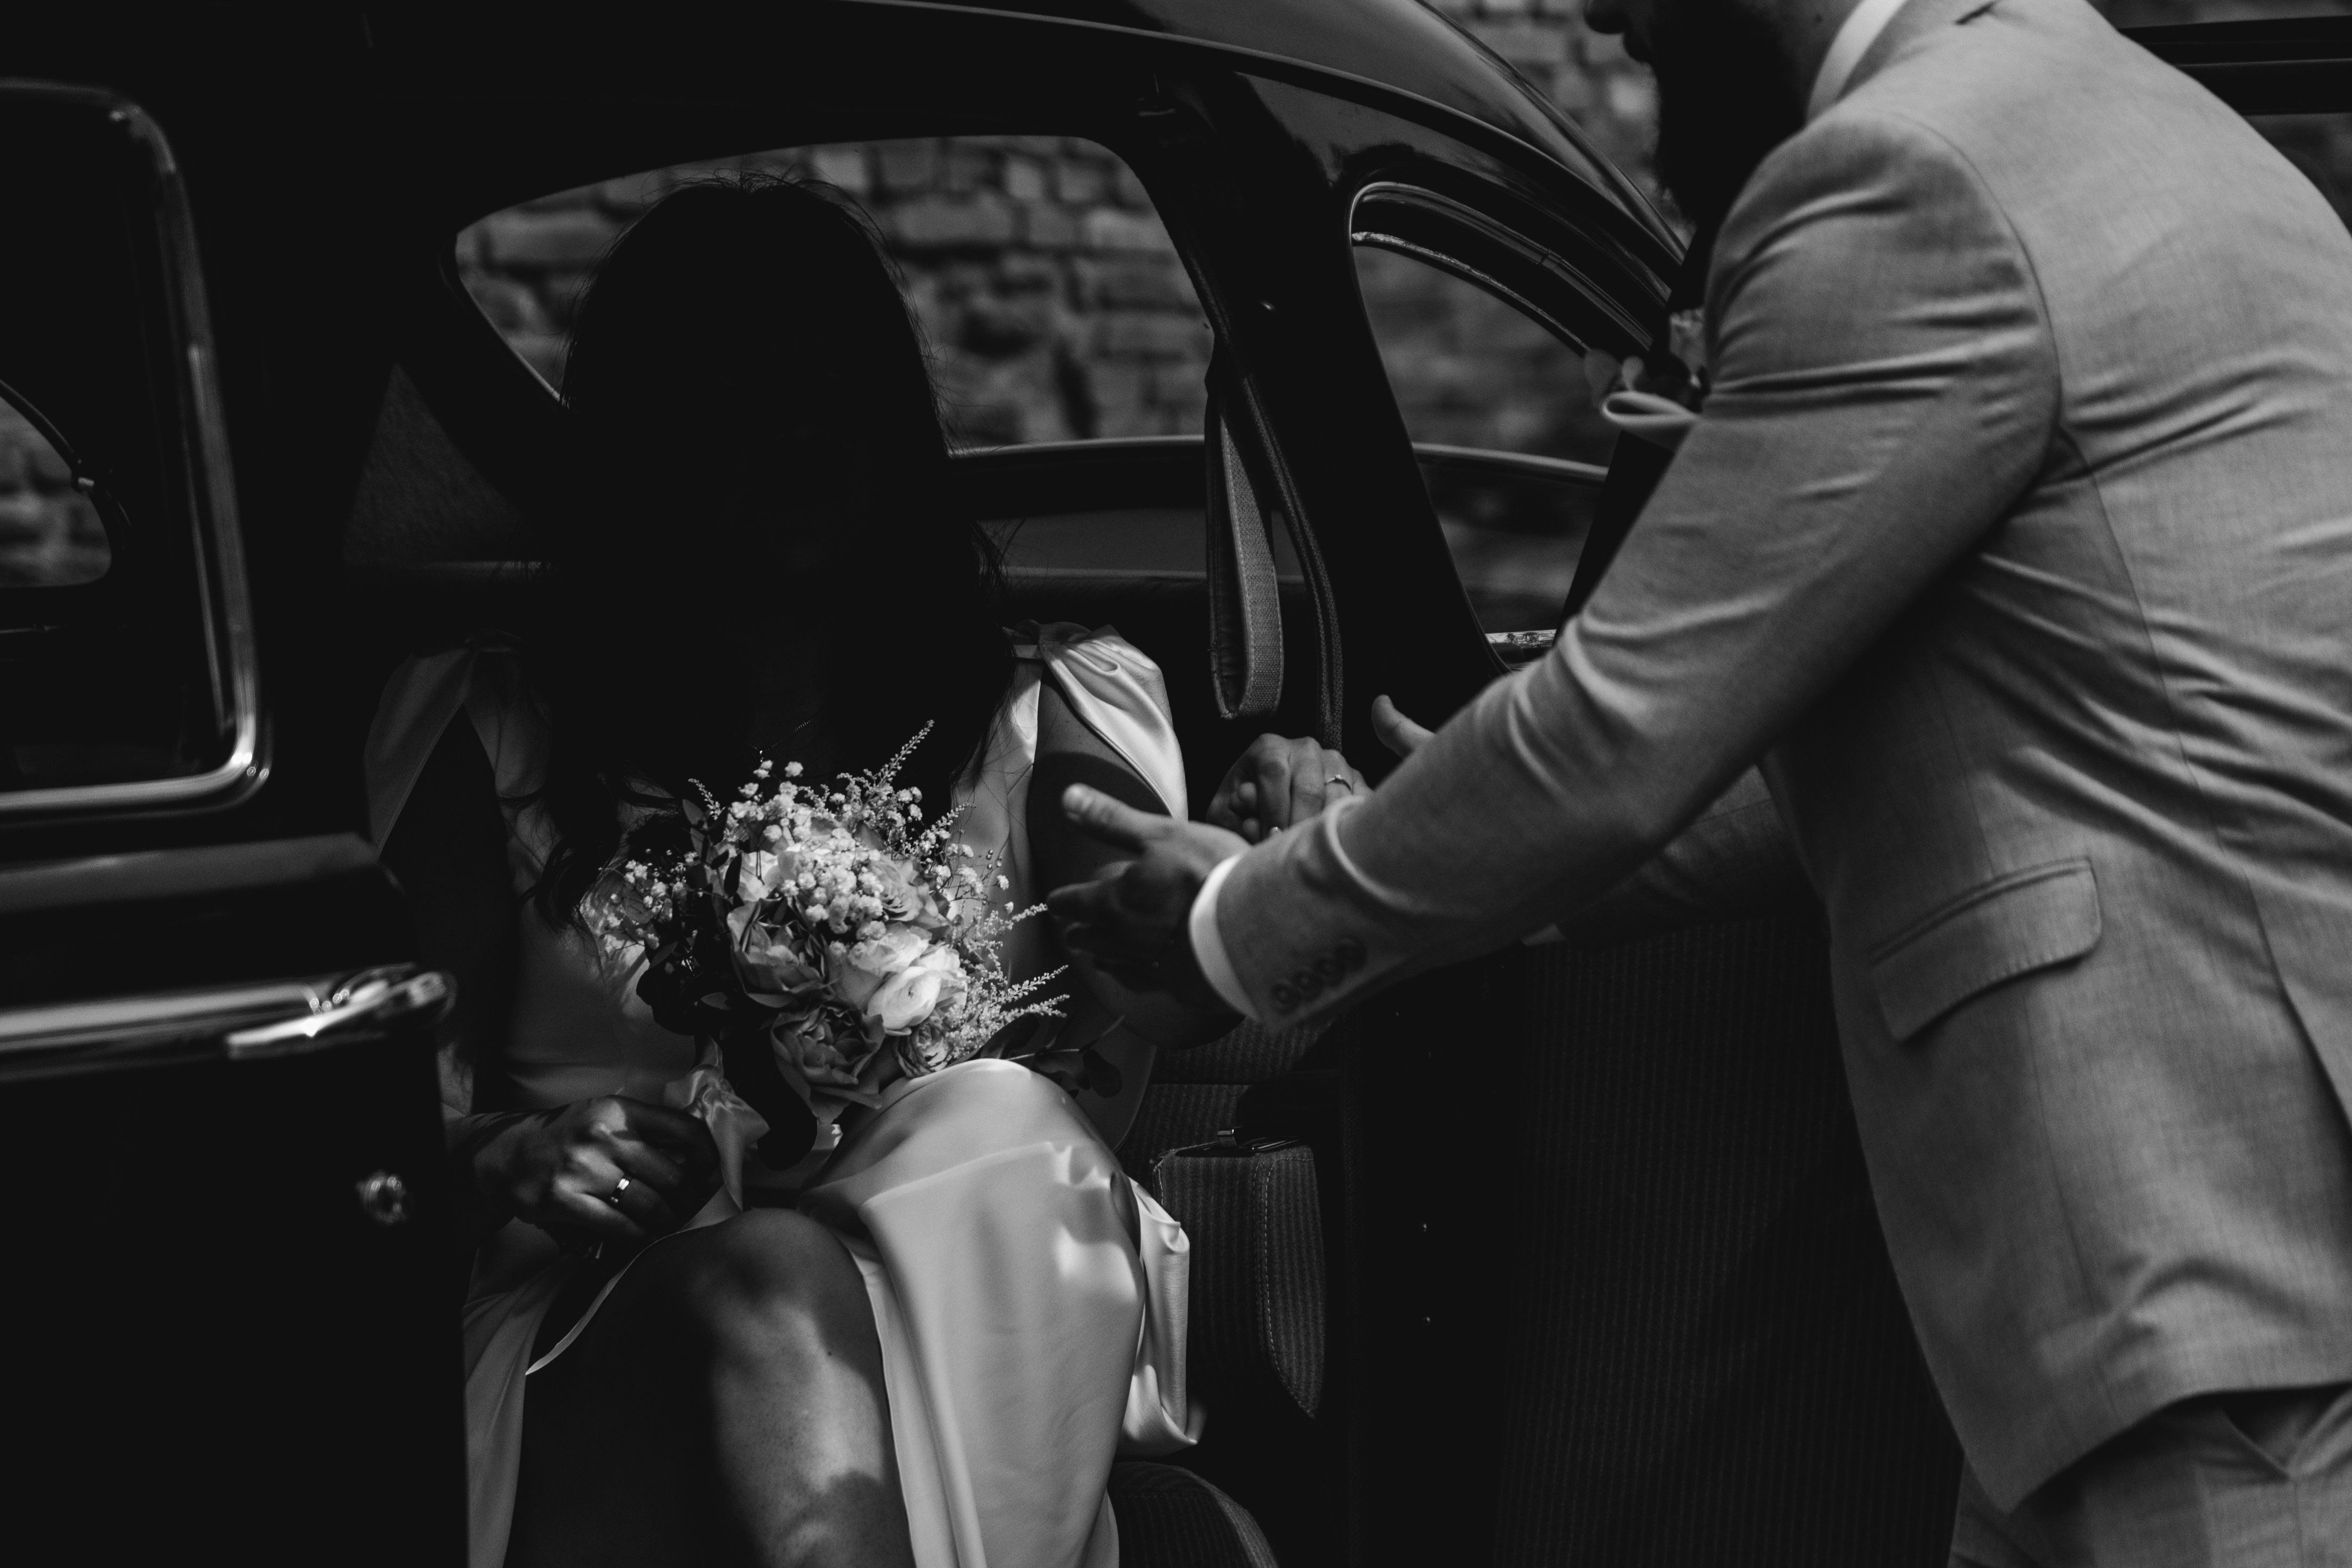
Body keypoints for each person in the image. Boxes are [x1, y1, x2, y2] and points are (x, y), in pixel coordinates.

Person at [1049, 1, 2352, 1563]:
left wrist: (1236, 925)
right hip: (2191, 1268)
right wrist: (1419, 846)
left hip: (2197, 1272)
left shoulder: (1913, 176)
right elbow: (1809, 774)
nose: (1604, 13)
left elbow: (1622, 732)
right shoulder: (2147, 130)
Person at [363, 177, 1344, 1568]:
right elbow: (361, 1124)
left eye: (836, 388)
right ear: (652, 439)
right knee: (776, 1273)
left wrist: (1275, 860)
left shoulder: (1051, 714)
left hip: (991, 1344)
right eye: (740, 396)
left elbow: (1164, 940)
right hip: (609, 1366)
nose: (800, 436)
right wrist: (518, 1153)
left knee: (1003, 1120)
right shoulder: (498, 727)